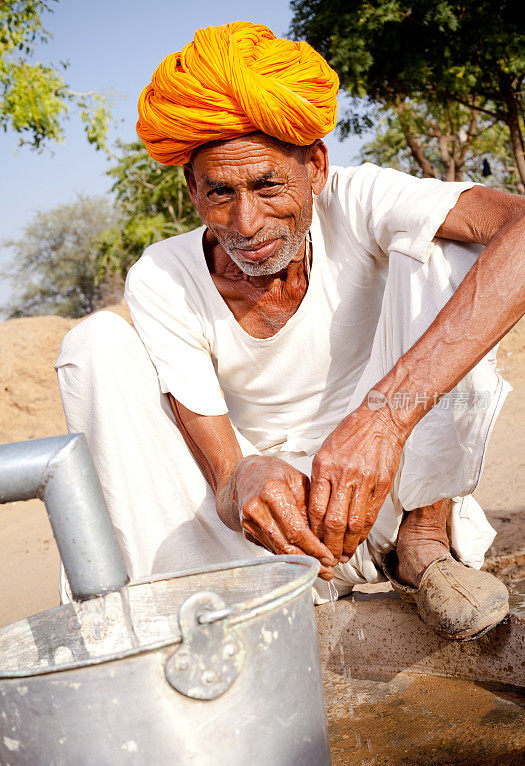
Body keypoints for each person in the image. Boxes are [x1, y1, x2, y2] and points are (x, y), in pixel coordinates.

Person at [56, 21, 524, 641]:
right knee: (93, 345)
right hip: (262, 537)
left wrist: (383, 419)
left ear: (316, 168)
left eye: (267, 185)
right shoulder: (163, 276)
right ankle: (171, 618)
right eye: (219, 192)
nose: (245, 222)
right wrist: (242, 477)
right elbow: (224, 481)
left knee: (450, 251)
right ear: (191, 188)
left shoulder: (360, 200)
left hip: (382, 497)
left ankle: (425, 544)